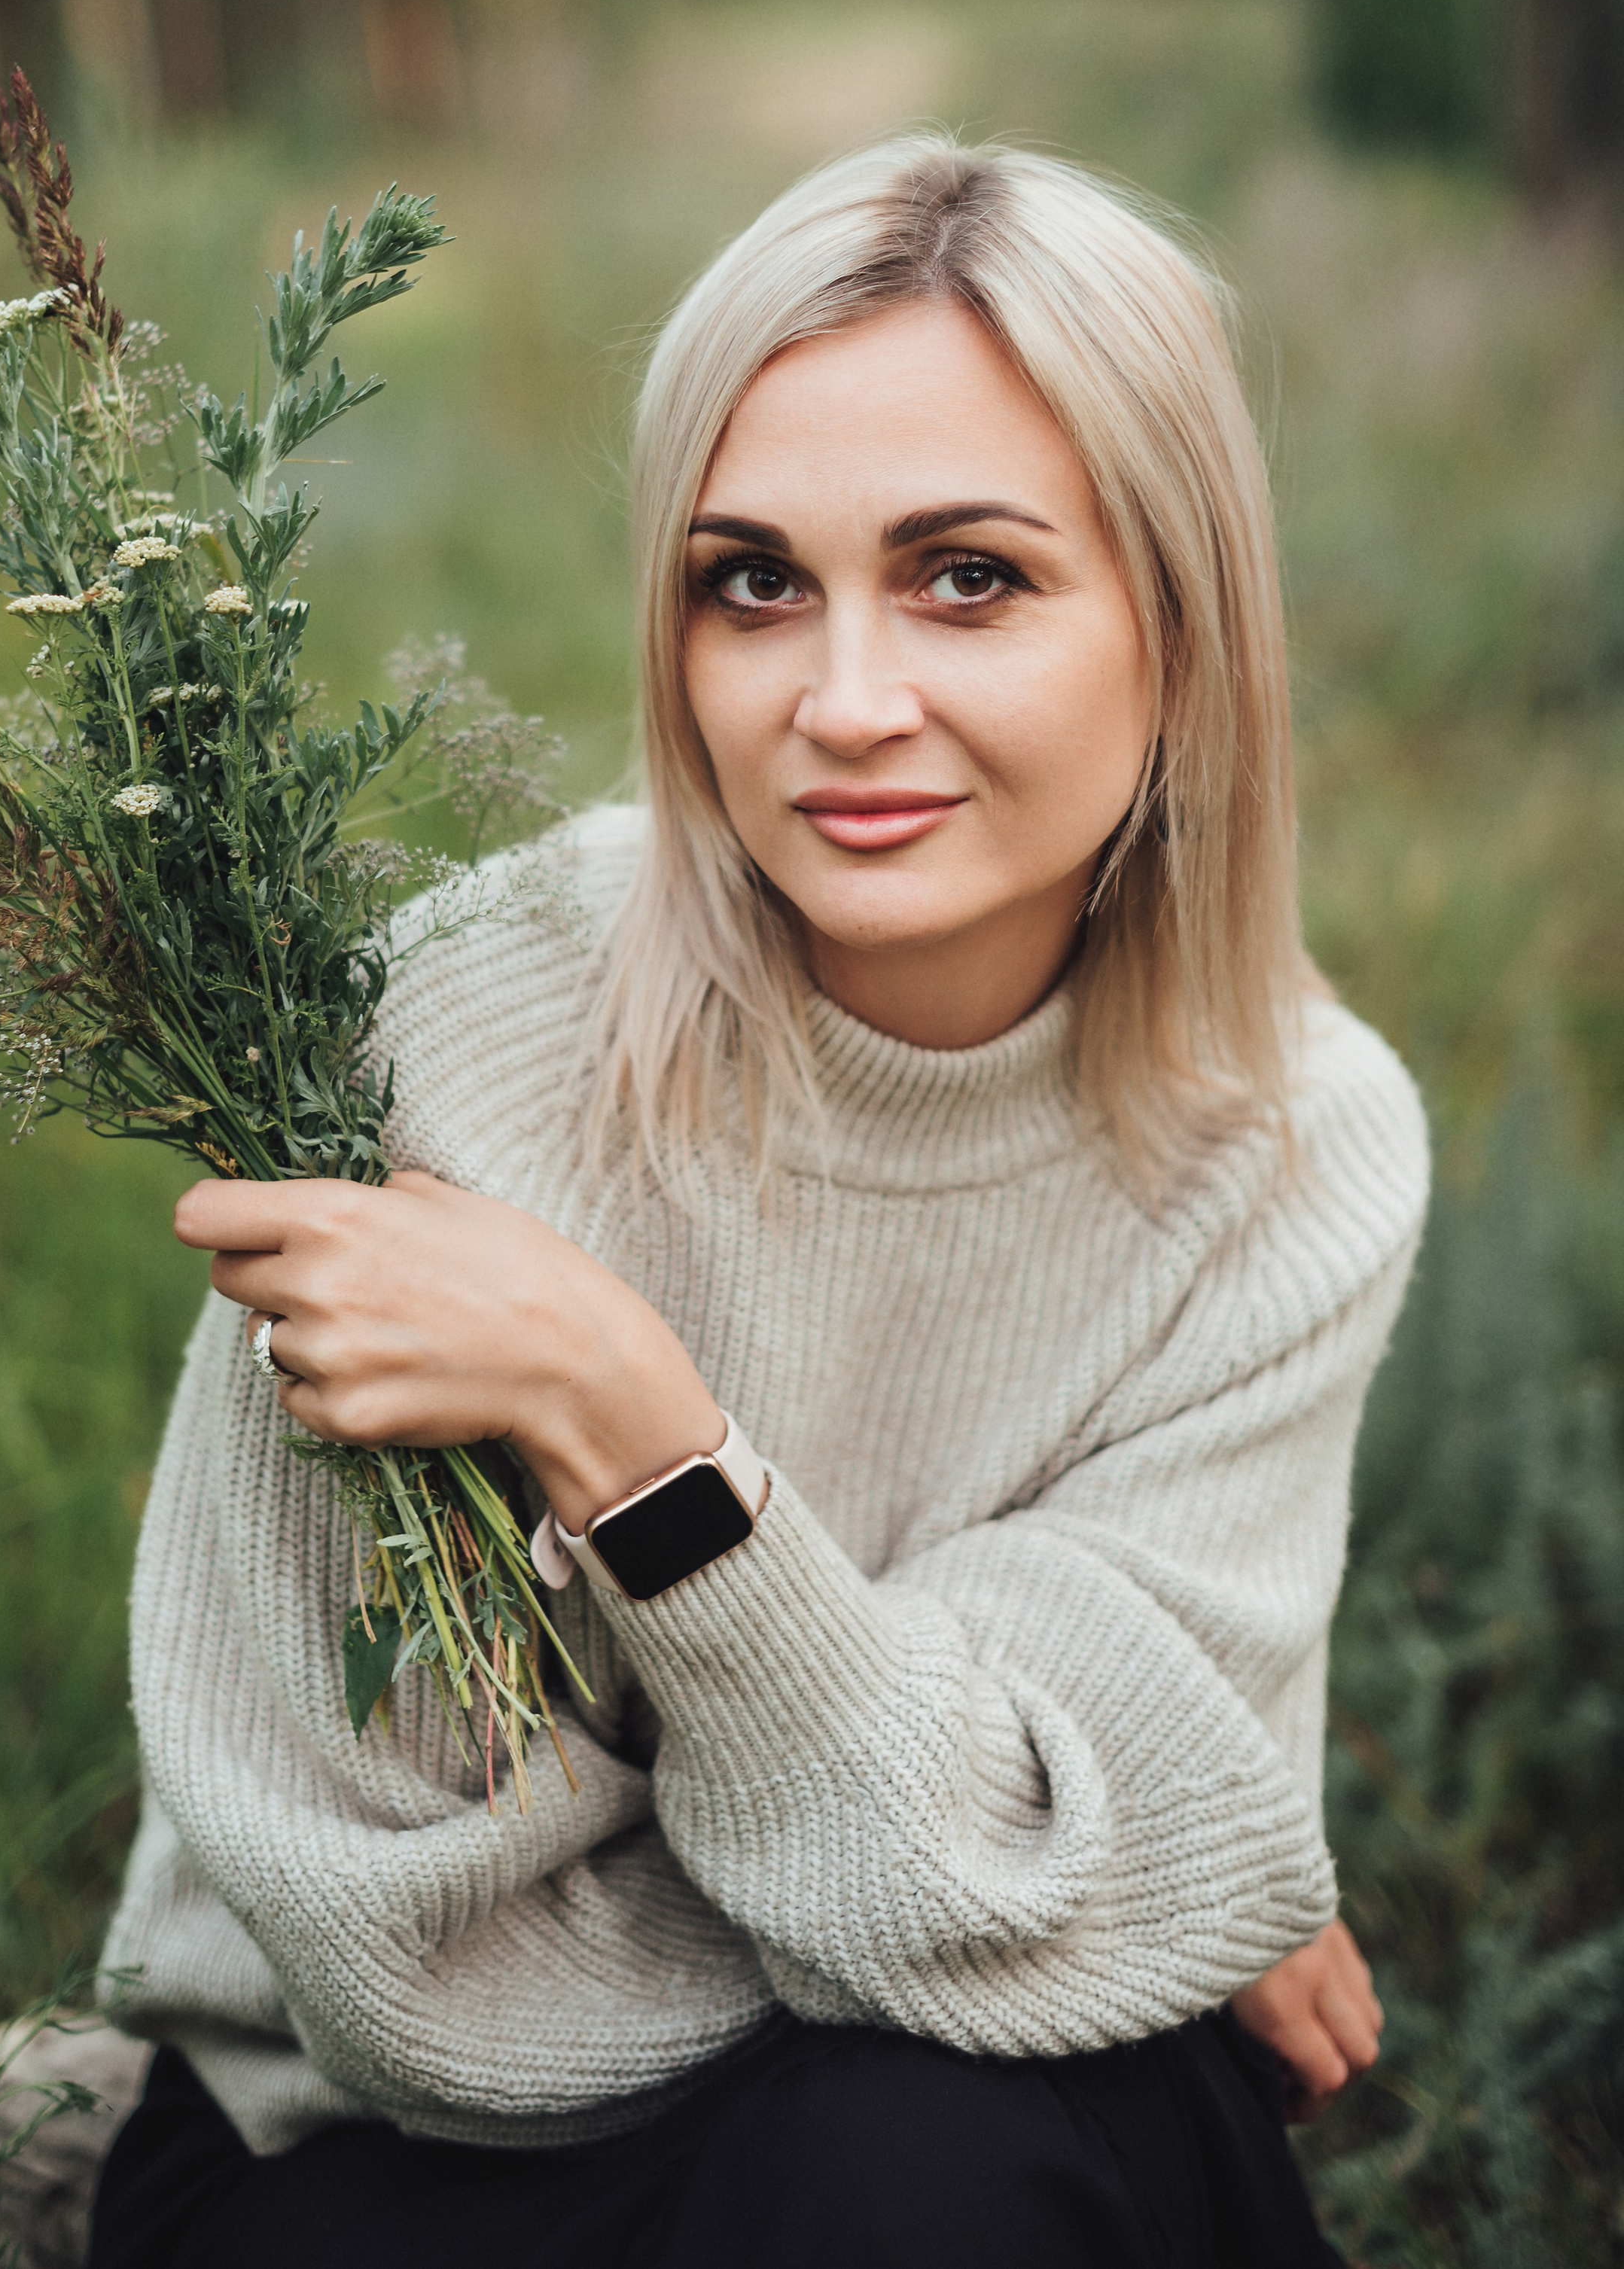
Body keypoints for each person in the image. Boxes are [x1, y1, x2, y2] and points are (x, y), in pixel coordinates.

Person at [90, 139, 1425, 2268]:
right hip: (362, 2151)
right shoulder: (451, 1048)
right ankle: (41, 2147)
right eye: (754, 580)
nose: (844, 703)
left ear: (1180, 626)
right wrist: (1099, 1893)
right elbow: (412, 1971)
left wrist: (629, 1429)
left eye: (970, 575)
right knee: (1002, 2120)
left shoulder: (1293, 1147)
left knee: (970, 2143)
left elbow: (1085, 1856)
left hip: (914, 2114)